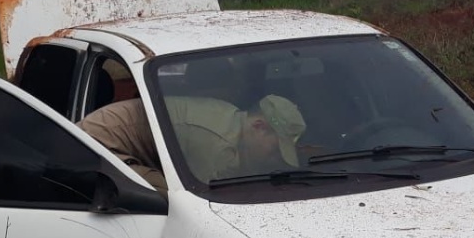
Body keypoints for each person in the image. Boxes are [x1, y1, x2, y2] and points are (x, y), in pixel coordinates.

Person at [76, 94, 306, 188]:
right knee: (173, 197)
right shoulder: (216, 144)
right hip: (98, 142)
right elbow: (204, 203)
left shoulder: (236, 120)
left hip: (122, 132)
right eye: (276, 150)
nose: (274, 158)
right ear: (259, 127)